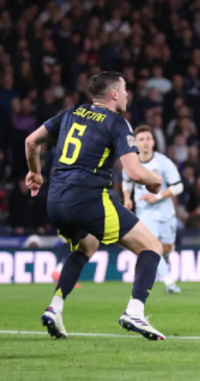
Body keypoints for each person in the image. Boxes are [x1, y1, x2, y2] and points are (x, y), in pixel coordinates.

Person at [26, 71, 166, 340]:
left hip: (55, 200)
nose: (127, 94)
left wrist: (35, 173)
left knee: (86, 246)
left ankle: (55, 307)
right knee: (152, 246)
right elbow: (135, 173)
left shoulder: (70, 113)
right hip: (87, 199)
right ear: (113, 94)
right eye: (124, 89)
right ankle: (135, 311)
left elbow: (31, 141)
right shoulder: (117, 123)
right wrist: (154, 180)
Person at [122, 125, 184, 295]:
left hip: (166, 213)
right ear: (135, 142)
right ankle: (169, 282)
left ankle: (162, 267)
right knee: (152, 246)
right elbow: (126, 181)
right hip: (145, 213)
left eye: (148, 139)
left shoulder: (163, 162)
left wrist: (156, 197)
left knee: (167, 249)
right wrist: (127, 198)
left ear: (154, 142)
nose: (145, 143)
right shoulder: (130, 161)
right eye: (141, 139)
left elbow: (178, 187)